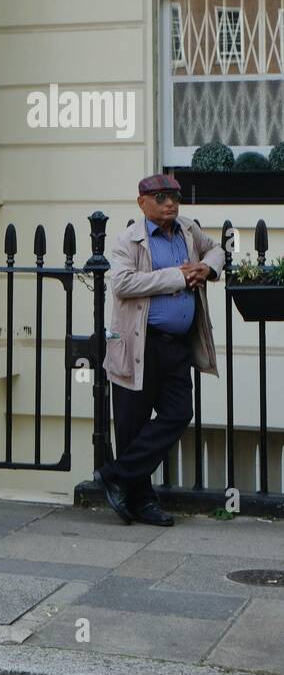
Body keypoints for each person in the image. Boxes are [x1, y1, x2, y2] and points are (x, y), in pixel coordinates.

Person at [96, 174, 224, 527]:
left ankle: (117, 475)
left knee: (179, 412)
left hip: (176, 347)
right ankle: (143, 500)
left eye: (175, 196)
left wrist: (207, 267)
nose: (170, 202)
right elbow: (122, 284)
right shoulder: (129, 240)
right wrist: (178, 277)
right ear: (142, 202)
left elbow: (218, 248)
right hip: (140, 344)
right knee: (132, 426)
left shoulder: (187, 230)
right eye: (162, 196)